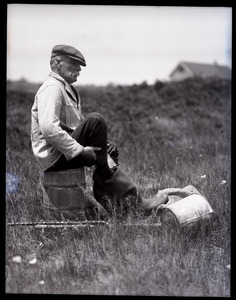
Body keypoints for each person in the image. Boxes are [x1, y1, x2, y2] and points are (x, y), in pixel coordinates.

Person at [31, 44, 141, 218]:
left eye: (79, 67)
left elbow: (76, 126)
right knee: (96, 120)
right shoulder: (52, 88)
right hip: (55, 157)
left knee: (109, 147)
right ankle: (124, 201)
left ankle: (118, 204)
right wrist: (80, 151)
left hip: (64, 152)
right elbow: (48, 128)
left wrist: (103, 146)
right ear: (58, 63)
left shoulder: (68, 90)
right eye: (73, 64)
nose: (78, 70)